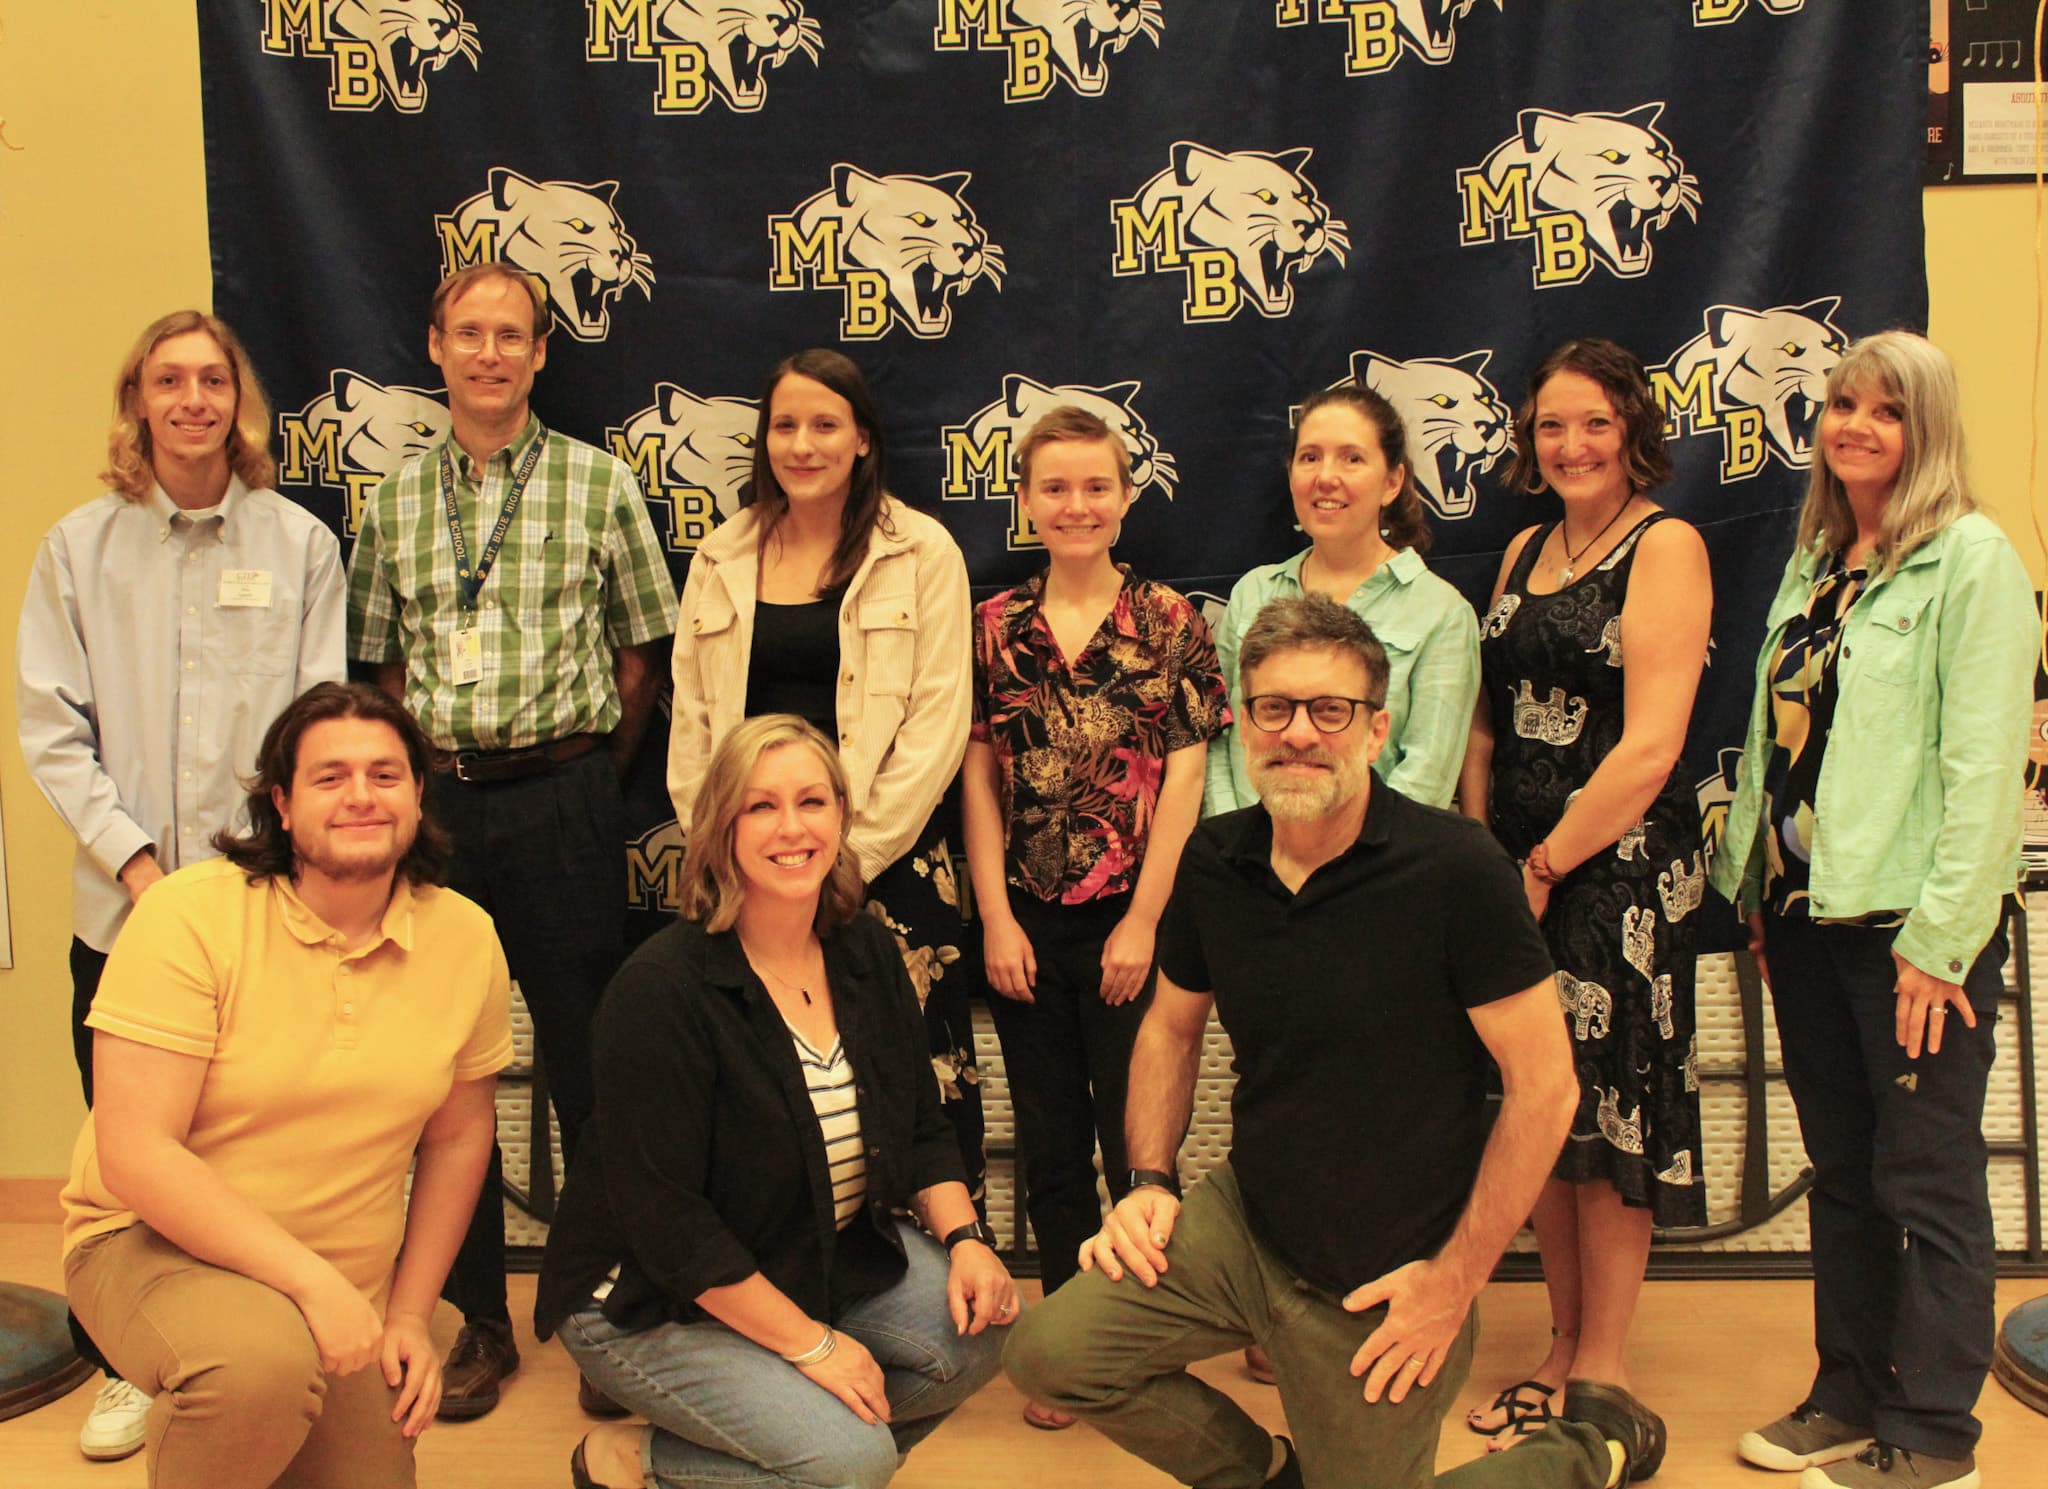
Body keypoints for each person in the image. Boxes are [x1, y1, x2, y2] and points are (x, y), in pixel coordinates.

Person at [1003, 593, 1665, 1489]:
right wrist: (1150, 1181)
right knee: (1049, 1352)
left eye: (1330, 710)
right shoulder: (1215, 861)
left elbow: (1546, 1090)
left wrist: (1453, 1283)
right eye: (1275, 708)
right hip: (1248, 1222)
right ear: (1242, 720)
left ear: (1377, 727)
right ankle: (1268, 1475)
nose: (1299, 733)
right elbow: (1168, 1025)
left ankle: (1589, 1449)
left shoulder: (1457, 869)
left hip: (1391, 1268)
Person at [346, 262, 678, 1419]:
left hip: (566, 796)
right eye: (468, 333)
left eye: (512, 336)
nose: (489, 354)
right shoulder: (389, 503)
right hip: (435, 811)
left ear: (542, 353)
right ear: (433, 347)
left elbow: (643, 657)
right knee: (447, 1075)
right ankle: (479, 1320)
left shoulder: (599, 485)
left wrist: (588, 774)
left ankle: (598, 1307)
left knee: (593, 1062)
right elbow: (381, 669)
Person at [17, 308, 346, 1461]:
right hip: (126, 908)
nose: (194, 399)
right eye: (171, 380)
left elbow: (319, 728)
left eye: (214, 379)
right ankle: (128, 1365)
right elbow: (53, 730)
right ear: (138, 401)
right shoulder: (78, 549)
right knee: (128, 1153)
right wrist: (145, 867)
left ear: (238, 402)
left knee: (256, 1140)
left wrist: (250, 876)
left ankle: (263, 1336)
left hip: (267, 912)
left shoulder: (300, 545)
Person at [1710, 332, 2034, 1489]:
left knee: (1926, 1178)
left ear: (1925, 428)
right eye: (1840, 404)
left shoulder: (1971, 561)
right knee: (1842, 1172)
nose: (1852, 425)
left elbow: (1983, 769)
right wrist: (1753, 888)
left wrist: (1941, 945)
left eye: (1883, 411)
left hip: (1910, 931)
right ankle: (1845, 1394)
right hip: (1805, 917)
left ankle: (1936, 1433)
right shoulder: (1819, 559)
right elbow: (1777, 745)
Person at [537, 714, 1015, 1489]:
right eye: (760, 807)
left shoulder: (864, 949)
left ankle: (778, 1451)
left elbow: (924, 1126)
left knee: (982, 1332)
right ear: (719, 827)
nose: (791, 827)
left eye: (812, 801)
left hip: (801, 1253)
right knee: (852, 1460)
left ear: (842, 814)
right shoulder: (661, 990)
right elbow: (673, 1229)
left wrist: (965, 1238)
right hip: (645, 1295)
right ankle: (638, 1463)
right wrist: (816, 1348)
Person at [60, 681, 511, 1489]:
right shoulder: (189, 916)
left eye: (385, 774)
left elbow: (458, 1135)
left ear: (417, 795)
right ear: (283, 802)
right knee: (255, 1371)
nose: (361, 796)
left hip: (342, 1274)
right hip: (152, 1243)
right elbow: (133, 1150)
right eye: (329, 776)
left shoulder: (466, 936)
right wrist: (313, 1287)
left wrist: (407, 1311)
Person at [1457, 338, 1711, 1449]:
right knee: (1540, 1107)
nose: (1569, 444)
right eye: (1550, 425)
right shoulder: (1519, 547)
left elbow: (1652, 745)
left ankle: (1602, 1361)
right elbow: (1483, 717)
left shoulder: (1666, 546)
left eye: (1592, 423)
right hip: (1513, 870)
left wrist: (1548, 861)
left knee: (1609, 1112)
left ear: (1631, 430)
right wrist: (1480, 853)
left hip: (1611, 873)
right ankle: (1558, 1344)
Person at [961, 404, 1230, 1429]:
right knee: (1046, 1132)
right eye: (1054, 487)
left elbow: (1190, 768)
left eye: (1095, 486)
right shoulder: (994, 625)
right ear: (1024, 499)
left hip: (1131, 913)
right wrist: (994, 914)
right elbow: (977, 778)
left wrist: (1144, 920)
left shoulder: (1168, 620)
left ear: (1125, 494)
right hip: (1025, 918)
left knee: (1138, 1133)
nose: (1075, 504)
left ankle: (1139, 1333)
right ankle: (1069, 1332)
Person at [667, 348, 981, 1204]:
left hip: (889, 860)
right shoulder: (720, 556)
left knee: (914, 1081)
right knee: (763, 1086)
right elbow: (694, 721)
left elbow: (938, 719)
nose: (802, 444)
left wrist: (852, 852)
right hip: (751, 867)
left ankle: (944, 1270)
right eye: (785, 425)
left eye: (824, 425)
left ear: (865, 441)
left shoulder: (920, 551)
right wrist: (724, 846)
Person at [1206, 382, 1479, 815]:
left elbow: (1427, 777)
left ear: (1392, 482)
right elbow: (1220, 744)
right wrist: (1240, 849)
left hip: (1377, 870)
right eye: (1310, 457)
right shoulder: (1251, 594)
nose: (1326, 477)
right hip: (1250, 863)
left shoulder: (1442, 613)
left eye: (1352, 458)